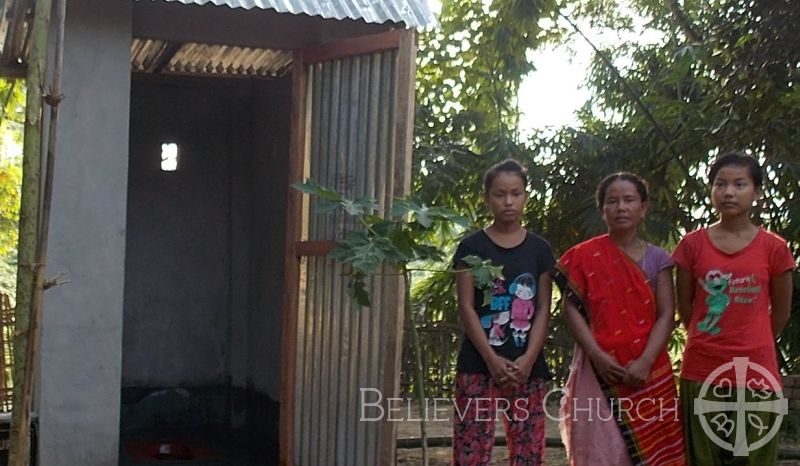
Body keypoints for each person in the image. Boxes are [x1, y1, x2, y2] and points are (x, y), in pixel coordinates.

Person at [552, 172, 685, 466]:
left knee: (655, 450)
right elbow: (570, 309)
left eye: (629, 200)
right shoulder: (583, 256)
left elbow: (666, 314)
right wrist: (597, 354)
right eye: (612, 201)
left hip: (649, 371)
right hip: (599, 370)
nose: (621, 207)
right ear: (602, 210)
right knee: (602, 448)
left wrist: (646, 361)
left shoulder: (659, 260)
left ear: (643, 208)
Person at [673, 152, 795, 466]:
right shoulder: (692, 245)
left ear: (757, 192)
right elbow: (685, 306)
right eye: (720, 184)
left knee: (752, 457)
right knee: (703, 457)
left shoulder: (775, 248)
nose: (728, 192)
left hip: (757, 370)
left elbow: (781, 310)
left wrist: (754, 340)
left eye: (740, 184)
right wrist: (707, 336)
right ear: (711, 190)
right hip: (702, 368)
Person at [452, 159, 555, 466]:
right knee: (471, 451)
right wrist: (491, 359)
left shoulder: (540, 250)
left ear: (525, 196)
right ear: (487, 198)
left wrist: (528, 359)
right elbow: (466, 307)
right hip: (477, 364)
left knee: (528, 454)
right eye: (500, 194)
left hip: (528, 368)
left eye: (516, 193)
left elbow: (543, 307)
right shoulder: (471, 247)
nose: (508, 201)